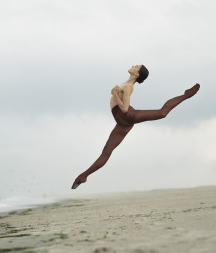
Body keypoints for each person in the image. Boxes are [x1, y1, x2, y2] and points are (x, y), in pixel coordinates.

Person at [71, 64, 200, 189]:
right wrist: (115, 94)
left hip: (128, 116)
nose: (133, 65)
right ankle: (83, 176)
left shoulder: (128, 86)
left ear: (137, 74)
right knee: (106, 152)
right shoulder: (126, 84)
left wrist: (114, 94)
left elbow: (125, 109)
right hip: (122, 122)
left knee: (162, 113)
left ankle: (186, 95)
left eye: (136, 66)